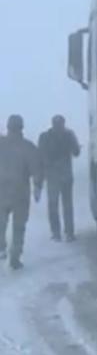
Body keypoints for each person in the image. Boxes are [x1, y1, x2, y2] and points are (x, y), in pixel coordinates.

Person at [0, 115, 42, 270]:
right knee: (19, 226)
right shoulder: (28, 147)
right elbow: (36, 169)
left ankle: (1, 247)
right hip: (20, 193)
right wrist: (37, 187)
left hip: (1, 191)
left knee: (0, 223)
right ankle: (15, 258)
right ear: (21, 127)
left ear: (8, 127)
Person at [38, 115, 81, 243]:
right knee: (63, 205)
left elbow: (75, 152)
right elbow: (76, 152)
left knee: (56, 205)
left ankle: (59, 233)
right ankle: (66, 233)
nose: (59, 127)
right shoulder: (67, 135)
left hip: (56, 175)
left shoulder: (46, 137)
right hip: (60, 174)